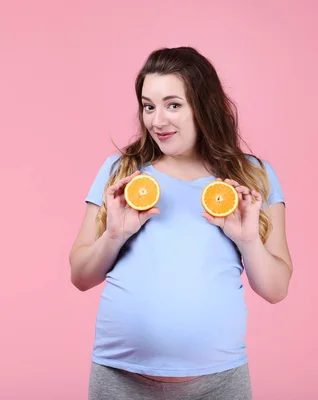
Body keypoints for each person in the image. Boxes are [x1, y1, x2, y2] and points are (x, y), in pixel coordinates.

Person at [69, 46, 293, 400]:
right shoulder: (121, 173)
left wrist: (248, 240)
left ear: (203, 106)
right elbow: (80, 277)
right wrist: (115, 234)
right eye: (149, 106)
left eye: (173, 104)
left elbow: (276, 290)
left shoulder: (253, 177)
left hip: (219, 382)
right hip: (120, 380)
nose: (158, 120)